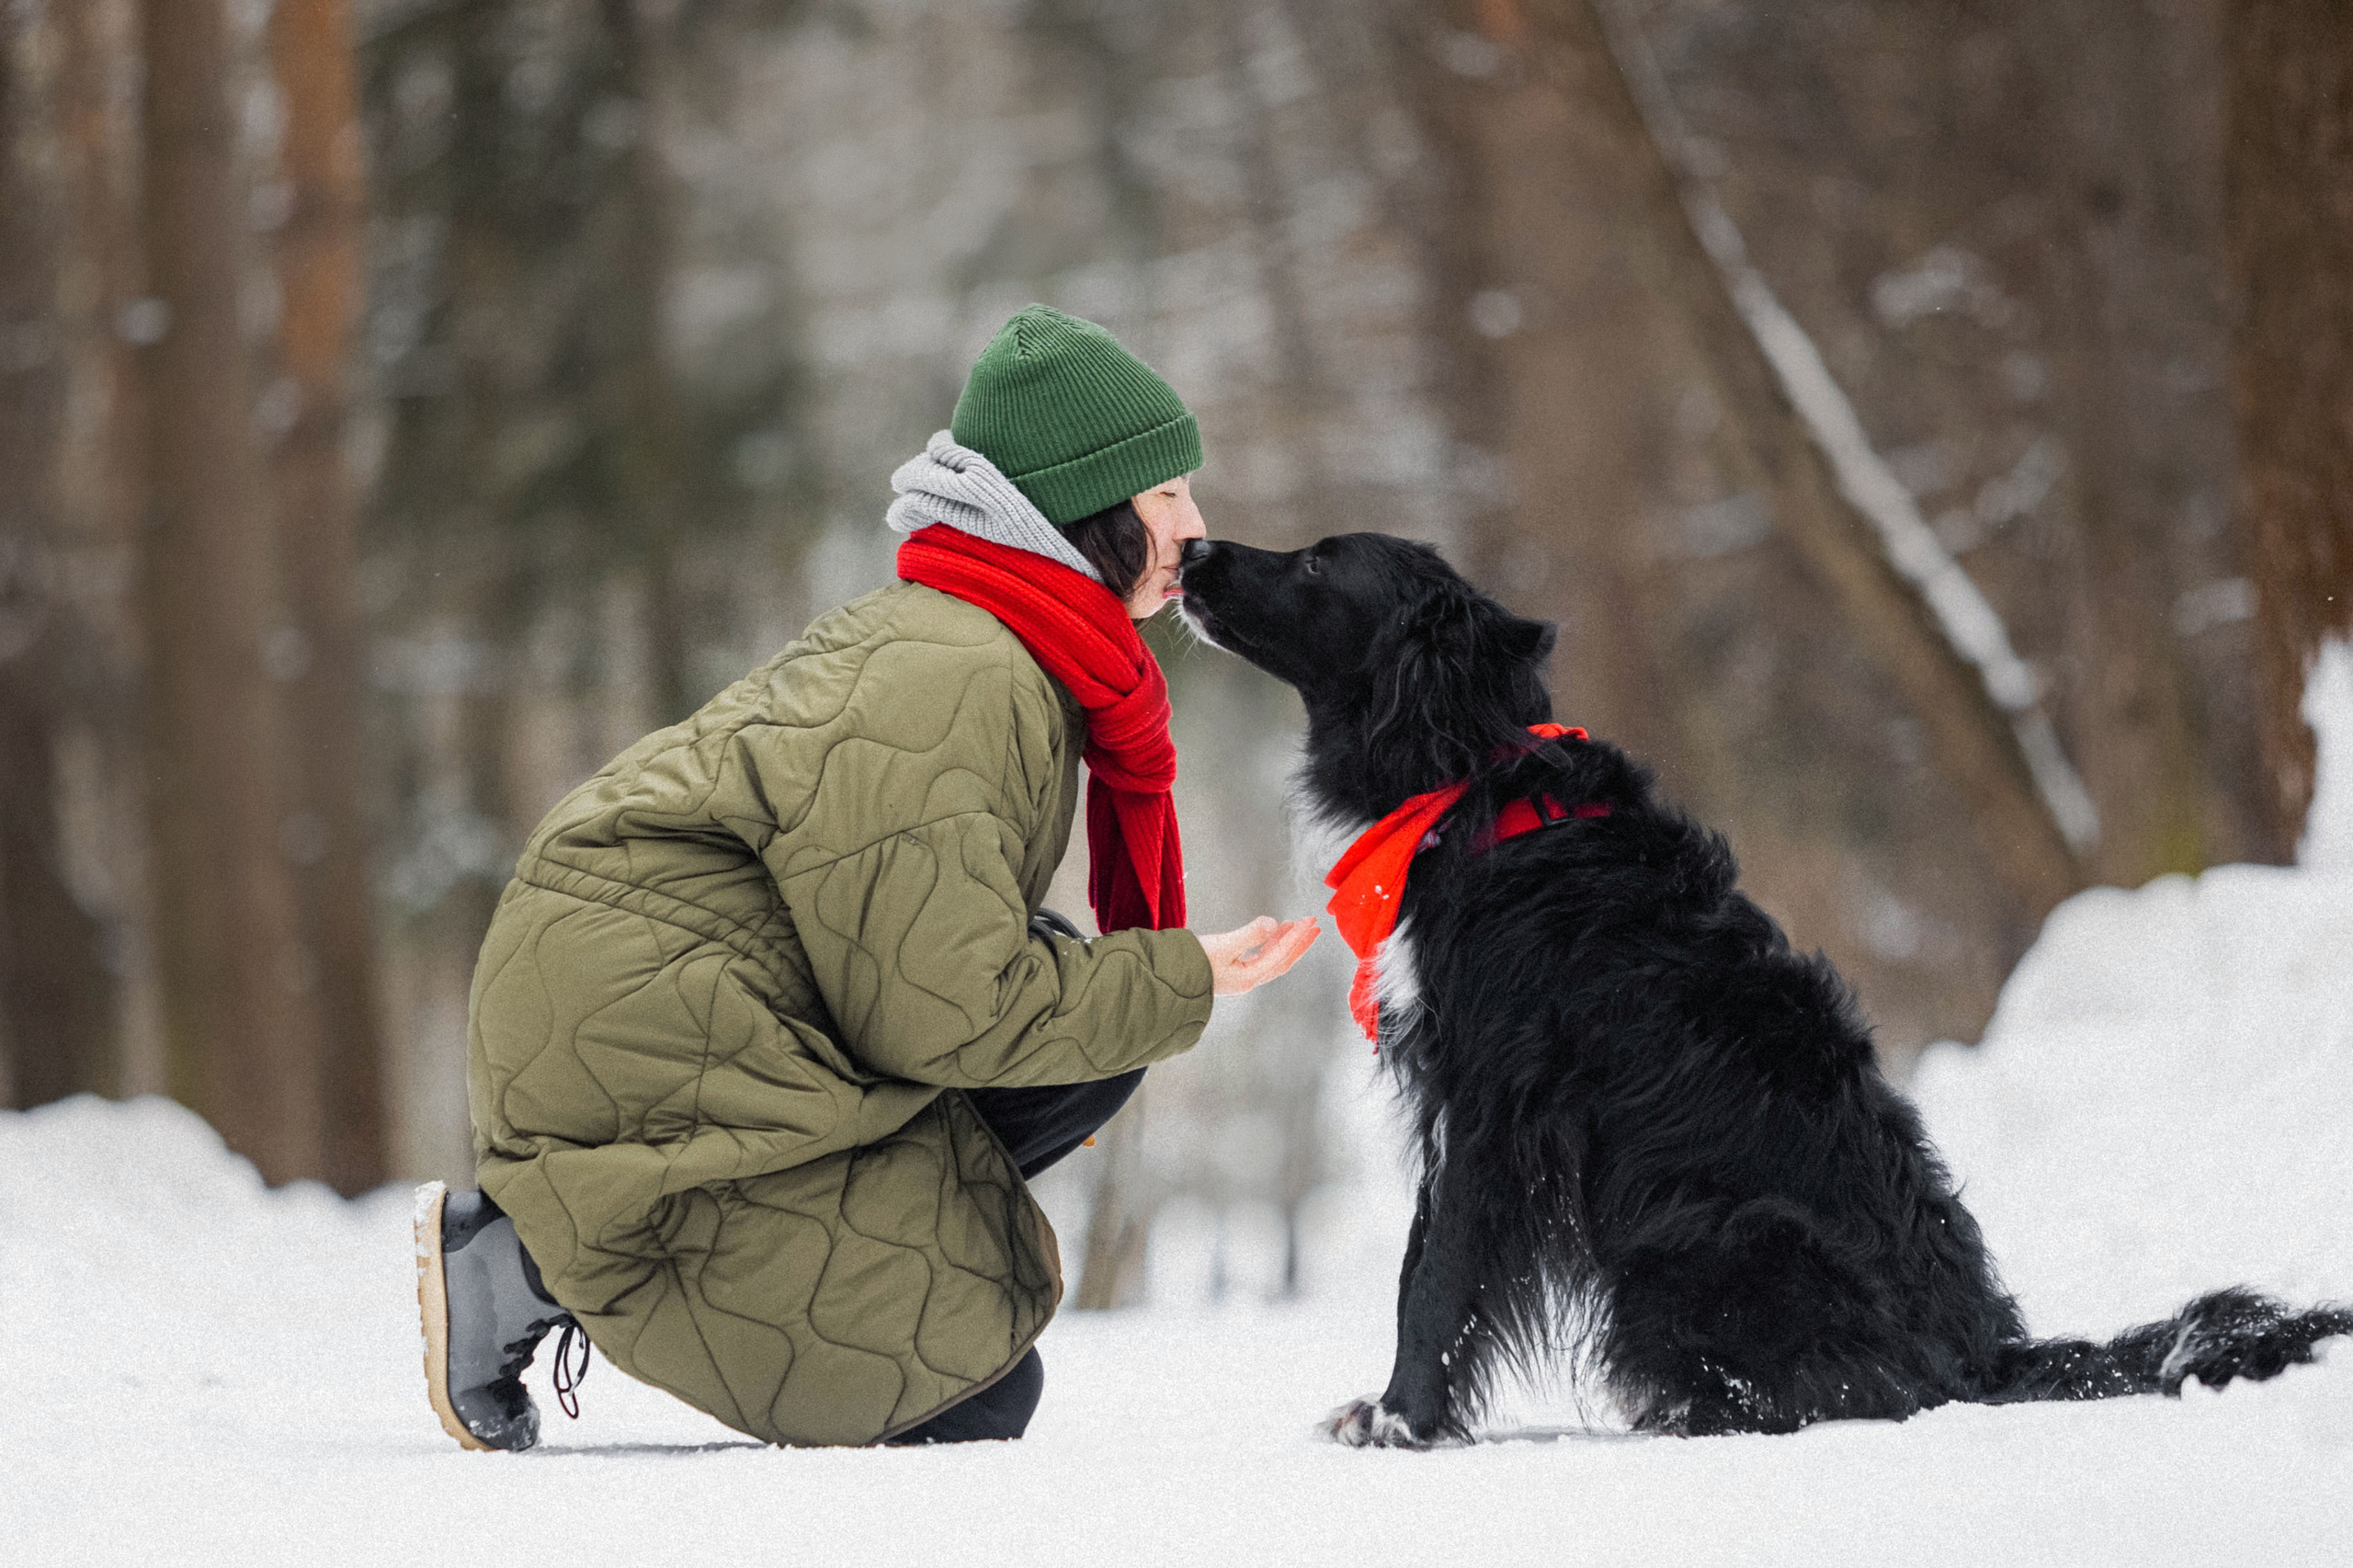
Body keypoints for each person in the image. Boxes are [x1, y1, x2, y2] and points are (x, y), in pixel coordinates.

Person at [414, 304, 1321, 1451]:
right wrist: (1181, 972)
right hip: (652, 1052)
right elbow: (945, 1011)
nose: (1196, 528)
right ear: (1086, 511)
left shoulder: (994, 643)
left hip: (702, 1023)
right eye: (1167, 497)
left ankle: (624, 1237)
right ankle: (531, 1253)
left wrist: (1159, 982)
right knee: (972, 1393)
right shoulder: (962, 676)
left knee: (1091, 1016)